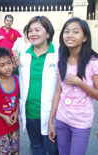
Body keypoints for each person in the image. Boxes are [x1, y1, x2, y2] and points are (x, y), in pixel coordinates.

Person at [48, 17, 98, 155]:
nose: (69, 35)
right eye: (66, 31)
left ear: (85, 38)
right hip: (62, 118)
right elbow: (58, 92)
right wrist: (51, 121)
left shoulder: (93, 63)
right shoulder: (60, 61)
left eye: (75, 32)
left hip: (82, 122)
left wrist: (79, 83)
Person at [18, 16, 59, 155]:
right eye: (30, 30)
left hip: (53, 113)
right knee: (36, 147)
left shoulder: (58, 55)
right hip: (31, 112)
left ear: (48, 33)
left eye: (37, 30)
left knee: (53, 149)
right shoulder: (23, 55)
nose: (33, 33)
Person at [0, 47, 20, 154]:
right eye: (2, 65)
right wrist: (3, 116)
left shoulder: (17, 79)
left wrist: (16, 111)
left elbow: (18, 99)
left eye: (9, 63)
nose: (7, 67)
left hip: (13, 126)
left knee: (15, 151)